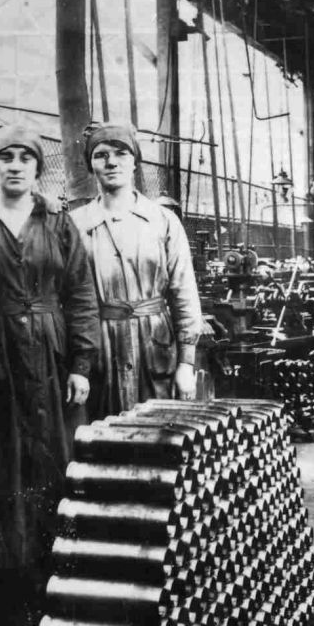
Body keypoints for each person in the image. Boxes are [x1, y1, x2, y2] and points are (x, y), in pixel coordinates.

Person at [0, 125, 99, 626]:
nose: (15, 166)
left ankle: (56, 585)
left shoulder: (57, 222)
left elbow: (80, 293)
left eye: (25, 158)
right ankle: (5, 599)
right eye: (5, 158)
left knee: (55, 464)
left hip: (51, 357)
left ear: (39, 169)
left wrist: (81, 364)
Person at [70, 122, 203, 416]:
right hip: (101, 346)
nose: (111, 162)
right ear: (91, 165)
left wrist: (186, 363)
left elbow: (184, 294)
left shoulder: (163, 221)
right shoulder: (75, 225)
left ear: (135, 161)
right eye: (101, 155)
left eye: (121, 153)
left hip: (155, 347)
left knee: (159, 438)